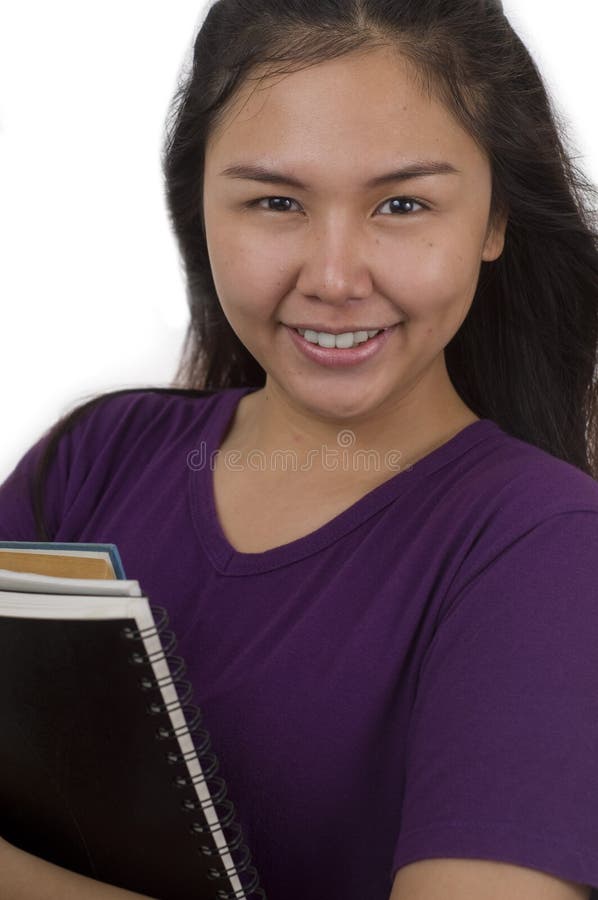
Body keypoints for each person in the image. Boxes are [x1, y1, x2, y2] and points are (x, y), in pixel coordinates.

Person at [1, 0, 598, 897]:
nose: (334, 277)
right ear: (199, 210)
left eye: (403, 203)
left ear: (493, 220)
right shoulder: (95, 458)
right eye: (276, 202)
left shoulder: (548, 547)